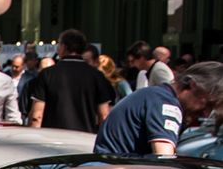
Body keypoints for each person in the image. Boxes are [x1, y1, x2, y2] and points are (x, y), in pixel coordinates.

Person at [95, 61, 223, 158]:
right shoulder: (166, 105)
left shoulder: (155, 95)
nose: (206, 113)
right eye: (208, 104)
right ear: (193, 85)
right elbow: (164, 159)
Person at [27, 28, 112, 133]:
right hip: (86, 140)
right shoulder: (97, 76)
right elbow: (104, 115)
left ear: (63, 47)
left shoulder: (47, 74)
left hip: (52, 141)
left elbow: (37, 115)